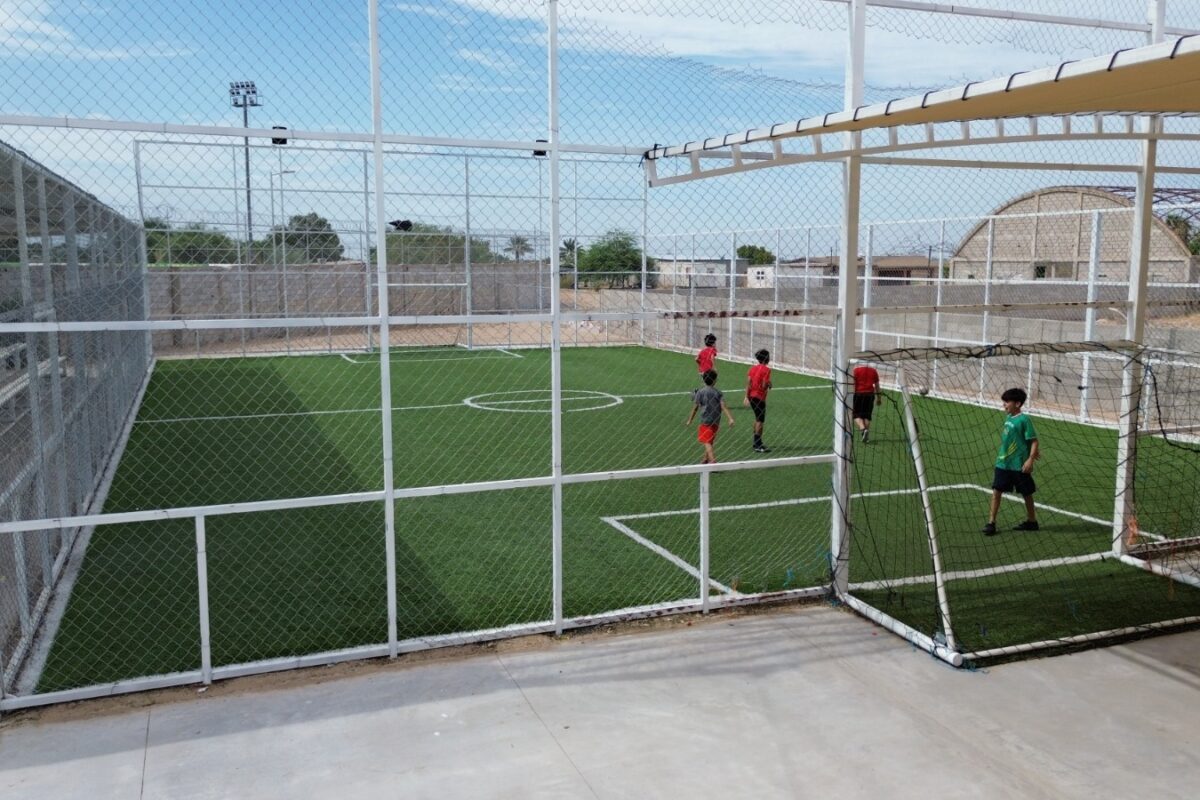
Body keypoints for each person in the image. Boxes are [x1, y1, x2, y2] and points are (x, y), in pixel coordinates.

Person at [982, 387, 1040, 536]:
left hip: (1019, 465)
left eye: (1007, 402)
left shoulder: (1024, 420)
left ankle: (1032, 521)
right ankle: (991, 523)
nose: (1004, 404)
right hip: (1003, 463)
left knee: (1026, 493)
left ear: (1018, 404)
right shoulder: (1008, 418)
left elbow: (1033, 441)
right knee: (997, 490)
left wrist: (1030, 459)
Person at [686, 369, 736, 464]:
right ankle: (705, 459)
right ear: (715, 380)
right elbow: (723, 406)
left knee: (707, 441)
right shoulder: (718, 393)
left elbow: (695, 407)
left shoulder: (700, 392)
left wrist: (690, 420)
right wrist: (730, 418)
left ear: (703, 380)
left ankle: (712, 461)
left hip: (705, 419)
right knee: (710, 439)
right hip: (716, 419)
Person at [744, 348, 773, 453]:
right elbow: (765, 385)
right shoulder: (767, 370)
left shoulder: (752, 369)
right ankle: (757, 444)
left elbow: (749, 383)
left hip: (752, 396)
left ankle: (757, 441)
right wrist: (768, 385)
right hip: (759, 397)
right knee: (760, 421)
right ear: (766, 358)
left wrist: (746, 396)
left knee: (757, 419)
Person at [851, 361, 880, 443]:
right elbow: (877, 385)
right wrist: (879, 398)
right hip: (870, 396)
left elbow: (853, 384)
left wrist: (853, 396)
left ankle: (863, 429)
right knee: (867, 416)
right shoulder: (873, 371)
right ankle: (866, 437)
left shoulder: (855, 371)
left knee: (855, 415)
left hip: (859, 395)